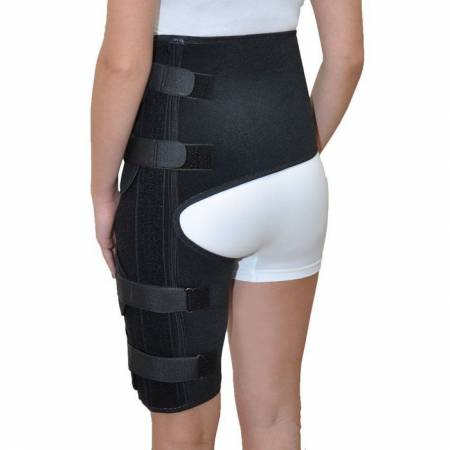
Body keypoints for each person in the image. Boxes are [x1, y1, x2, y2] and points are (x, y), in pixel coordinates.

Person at [90, 0, 363, 449]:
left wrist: (103, 192)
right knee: (276, 418)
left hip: (176, 187)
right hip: (292, 181)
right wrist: (287, 155)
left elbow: (123, 65)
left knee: (184, 429)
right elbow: (347, 57)